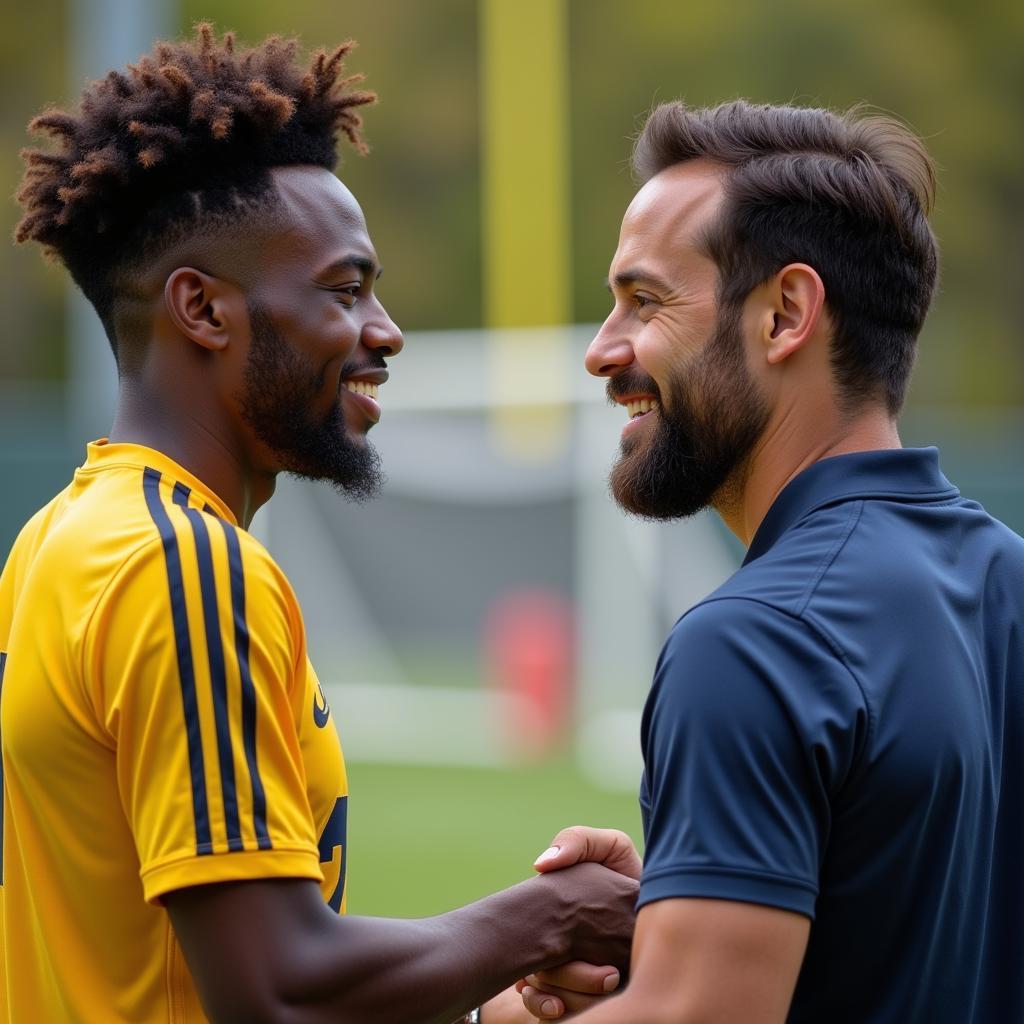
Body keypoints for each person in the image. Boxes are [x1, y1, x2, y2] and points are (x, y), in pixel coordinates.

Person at [2, 25, 635, 1024]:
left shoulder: (60, 540)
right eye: (345, 290)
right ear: (203, 310)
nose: (384, 332)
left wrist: (490, 1006)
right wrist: (552, 915)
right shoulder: (183, 566)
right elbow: (278, 990)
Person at [517, 100, 1023, 1023]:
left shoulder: (757, 642)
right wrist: (701, 900)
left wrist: (493, 1014)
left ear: (786, 314)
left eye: (646, 300)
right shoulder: (1011, 581)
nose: (601, 350)